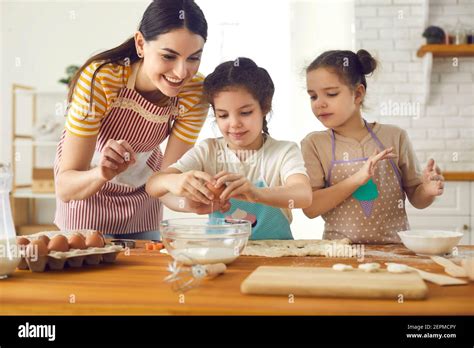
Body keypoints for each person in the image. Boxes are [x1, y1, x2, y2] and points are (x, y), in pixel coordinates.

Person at [54, 0, 209, 240]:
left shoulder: (195, 93)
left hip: (143, 198)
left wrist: (193, 202)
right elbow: (65, 187)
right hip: (85, 197)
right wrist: (102, 174)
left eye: (193, 58)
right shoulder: (101, 79)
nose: (181, 73)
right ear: (140, 44)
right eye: (168, 56)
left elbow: (164, 184)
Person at [146, 58, 312, 240]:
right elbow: (153, 184)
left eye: (245, 112)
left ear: (264, 107)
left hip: (277, 257)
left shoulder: (283, 152)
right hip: (222, 254)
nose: (234, 124)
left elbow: (303, 195)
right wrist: (174, 181)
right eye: (223, 115)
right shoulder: (207, 151)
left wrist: (255, 193)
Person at [301, 49, 445, 244]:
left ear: (358, 94)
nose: (319, 104)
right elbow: (311, 208)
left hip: (395, 249)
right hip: (338, 251)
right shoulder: (314, 144)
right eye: (313, 96)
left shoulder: (395, 136)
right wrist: (357, 179)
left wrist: (427, 190)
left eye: (331, 94)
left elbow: (417, 199)